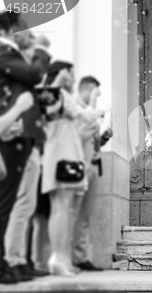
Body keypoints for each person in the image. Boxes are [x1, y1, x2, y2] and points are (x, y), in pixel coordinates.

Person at [0, 11, 51, 283]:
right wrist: (41, 49)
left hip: (25, 139)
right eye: (26, 31)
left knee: (24, 206)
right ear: (13, 29)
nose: (30, 35)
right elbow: (33, 76)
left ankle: (17, 259)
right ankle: (11, 261)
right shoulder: (4, 54)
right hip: (9, 137)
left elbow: (32, 84)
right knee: (12, 205)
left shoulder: (13, 56)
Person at [42, 61, 102, 276]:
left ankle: (61, 258)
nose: (73, 78)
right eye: (70, 73)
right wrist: (95, 105)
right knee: (61, 209)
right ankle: (57, 258)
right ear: (61, 72)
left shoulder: (62, 95)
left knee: (65, 211)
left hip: (68, 156)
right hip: (59, 156)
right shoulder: (52, 93)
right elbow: (85, 116)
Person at [72, 76, 112, 271]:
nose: (98, 97)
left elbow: (90, 143)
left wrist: (103, 138)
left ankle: (80, 256)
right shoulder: (75, 109)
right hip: (78, 167)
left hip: (94, 164)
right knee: (71, 211)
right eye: (97, 92)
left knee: (85, 214)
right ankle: (67, 256)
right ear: (87, 90)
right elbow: (74, 138)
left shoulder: (90, 114)